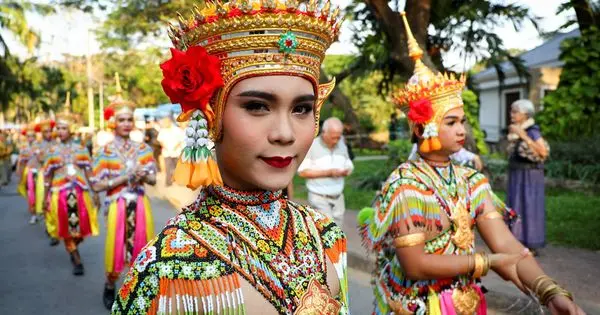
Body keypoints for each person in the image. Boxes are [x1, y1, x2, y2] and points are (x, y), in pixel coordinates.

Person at [113, 2, 348, 314]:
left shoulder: (325, 234)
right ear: (210, 115)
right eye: (257, 106)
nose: (285, 133)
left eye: (301, 109)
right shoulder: (168, 264)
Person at [357, 12, 583, 315]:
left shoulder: (472, 181)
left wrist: (549, 290)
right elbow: (416, 265)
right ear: (421, 129)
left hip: (465, 301)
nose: (462, 129)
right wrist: (486, 262)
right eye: (451, 122)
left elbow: (506, 244)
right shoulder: (406, 186)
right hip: (417, 306)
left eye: (462, 121)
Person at [93, 73, 157, 309]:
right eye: (121, 120)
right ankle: (110, 285)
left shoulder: (143, 148)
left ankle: (136, 288)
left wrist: (143, 176)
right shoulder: (105, 151)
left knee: (141, 248)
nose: (126, 124)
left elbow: (152, 179)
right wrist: (122, 177)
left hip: (140, 203)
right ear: (113, 123)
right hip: (117, 205)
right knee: (117, 247)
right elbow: (98, 184)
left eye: (130, 119)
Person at [43, 107, 99, 275]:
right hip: (59, 194)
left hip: (80, 194)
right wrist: (45, 197)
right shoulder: (52, 152)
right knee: (66, 228)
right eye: (58, 128)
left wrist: (95, 192)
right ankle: (76, 258)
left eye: (64, 128)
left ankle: (74, 246)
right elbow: (47, 176)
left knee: (81, 228)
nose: (60, 131)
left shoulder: (81, 150)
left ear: (71, 129)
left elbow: (90, 172)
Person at [507, 99, 549, 255]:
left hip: (529, 176)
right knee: (517, 206)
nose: (511, 115)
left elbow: (543, 152)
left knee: (528, 207)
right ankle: (517, 242)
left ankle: (530, 244)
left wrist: (523, 136)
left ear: (524, 114)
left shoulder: (532, 130)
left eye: (514, 112)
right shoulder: (517, 130)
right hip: (518, 174)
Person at [298, 117, 354, 225]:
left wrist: (346, 171)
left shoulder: (341, 143)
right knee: (327, 231)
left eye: (339, 137)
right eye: (334, 137)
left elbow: (348, 164)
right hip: (319, 198)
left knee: (338, 234)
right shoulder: (312, 146)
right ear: (324, 133)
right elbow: (302, 172)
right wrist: (329, 173)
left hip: (338, 198)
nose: (336, 140)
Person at [16, 124, 40, 224]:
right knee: (31, 193)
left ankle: (40, 210)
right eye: (28, 136)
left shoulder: (39, 145)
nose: (30, 138)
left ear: (35, 136)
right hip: (28, 173)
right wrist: (20, 174)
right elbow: (21, 161)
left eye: (32, 136)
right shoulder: (23, 147)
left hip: (39, 172)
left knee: (40, 192)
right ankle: (33, 214)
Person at [156, 115, 184, 186]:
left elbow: (180, 140)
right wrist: (165, 147)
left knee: (178, 167)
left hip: (176, 152)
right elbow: (160, 140)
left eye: (165, 122)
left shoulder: (177, 130)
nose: (164, 124)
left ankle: (179, 181)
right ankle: (168, 182)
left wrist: (175, 147)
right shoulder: (162, 130)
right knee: (168, 167)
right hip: (167, 152)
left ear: (170, 122)